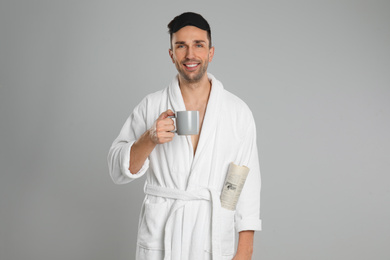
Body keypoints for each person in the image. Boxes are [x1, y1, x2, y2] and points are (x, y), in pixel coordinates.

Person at [108, 12, 261, 260]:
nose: (190, 55)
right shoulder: (152, 106)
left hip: (211, 237)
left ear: (211, 52)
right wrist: (149, 138)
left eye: (198, 45)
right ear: (172, 54)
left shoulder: (237, 112)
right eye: (181, 46)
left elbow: (247, 182)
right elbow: (116, 169)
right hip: (162, 240)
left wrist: (244, 251)